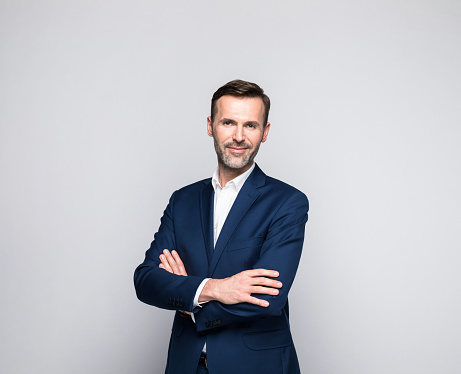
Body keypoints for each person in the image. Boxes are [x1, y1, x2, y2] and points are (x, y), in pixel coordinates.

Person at [134, 79, 309, 374]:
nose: (238, 136)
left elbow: (268, 297)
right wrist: (217, 288)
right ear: (210, 125)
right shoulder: (182, 200)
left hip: (256, 367)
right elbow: (147, 280)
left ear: (264, 132)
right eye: (228, 122)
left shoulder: (287, 202)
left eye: (250, 126)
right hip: (186, 365)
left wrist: (190, 300)